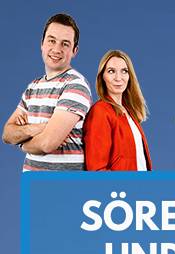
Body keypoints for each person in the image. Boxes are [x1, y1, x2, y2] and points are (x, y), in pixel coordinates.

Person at [2, 13, 90, 171]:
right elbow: (7, 134)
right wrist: (36, 128)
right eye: (52, 40)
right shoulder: (33, 87)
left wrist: (22, 143)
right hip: (33, 188)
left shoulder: (75, 85)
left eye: (65, 44)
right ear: (42, 44)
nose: (56, 49)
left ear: (74, 51)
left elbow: (47, 143)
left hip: (63, 189)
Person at [82, 48, 147, 170]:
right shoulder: (100, 112)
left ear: (130, 76)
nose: (118, 78)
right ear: (102, 77)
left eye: (124, 71)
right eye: (111, 71)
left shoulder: (129, 112)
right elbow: (97, 169)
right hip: (120, 188)